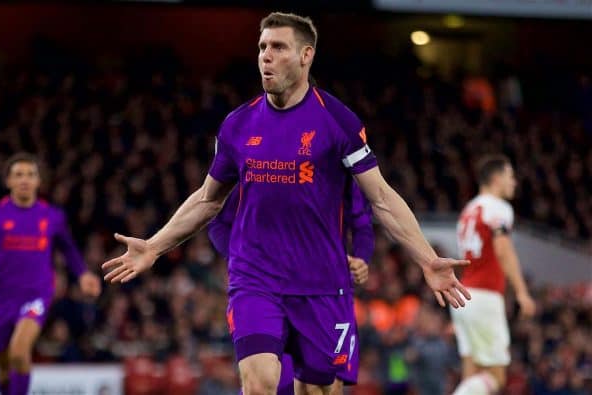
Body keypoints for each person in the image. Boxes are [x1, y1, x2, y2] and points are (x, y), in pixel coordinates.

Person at [103, 12, 470, 395]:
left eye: (278, 47)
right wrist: (155, 246)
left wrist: (427, 258)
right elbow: (207, 199)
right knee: (259, 383)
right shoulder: (237, 125)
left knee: (318, 390)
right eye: (262, 47)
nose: (266, 56)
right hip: (255, 278)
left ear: (305, 55)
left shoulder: (337, 121)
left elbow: (381, 198)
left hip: (322, 284)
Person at [208, 181, 374, 394]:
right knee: (267, 384)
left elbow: (362, 223)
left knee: (326, 386)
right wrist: (246, 259)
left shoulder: (343, 169)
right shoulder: (260, 167)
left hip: (329, 295)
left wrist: (361, 258)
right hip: (270, 293)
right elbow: (218, 222)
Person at [0, 153, 101, 395]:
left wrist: (83, 274)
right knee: (4, 363)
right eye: (18, 175)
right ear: (8, 181)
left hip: (36, 294)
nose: (24, 180)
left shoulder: (52, 216)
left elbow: (69, 248)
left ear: (39, 181)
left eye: (30, 174)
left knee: (20, 352)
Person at [451, 154, 536, 395]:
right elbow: (503, 250)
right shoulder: (498, 208)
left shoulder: (468, 210)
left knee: (471, 373)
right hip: (485, 297)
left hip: (464, 295)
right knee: (496, 377)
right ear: (497, 178)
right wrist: (521, 292)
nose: (514, 182)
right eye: (510, 176)